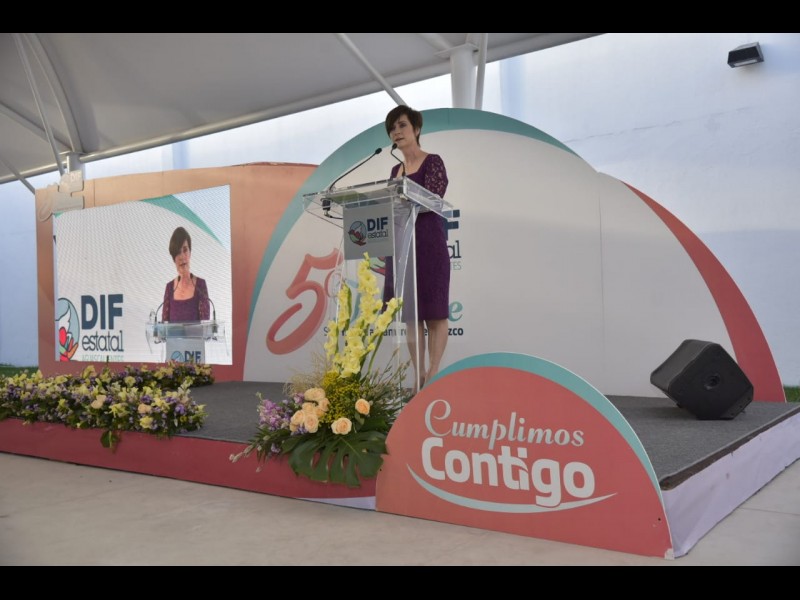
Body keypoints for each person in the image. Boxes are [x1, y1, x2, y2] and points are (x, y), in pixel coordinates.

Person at [384, 105, 450, 390]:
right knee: (411, 315)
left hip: (429, 244)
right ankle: (418, 374)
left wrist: (405, 194)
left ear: (416, 129)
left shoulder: (432, 161)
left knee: (435, 312)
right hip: (403, 247)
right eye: (392, 128)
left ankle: (433, 373)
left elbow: (434, 197)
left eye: (402, 125)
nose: (396, 132)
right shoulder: (394, 170)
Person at [161, 226, 210, 323]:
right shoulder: (169, 288)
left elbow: (205, 325)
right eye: (178, 252)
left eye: (185, 250)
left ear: (190, 252)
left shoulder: (200, 286)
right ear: (174, 258)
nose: (182, 256)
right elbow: (164, 326)